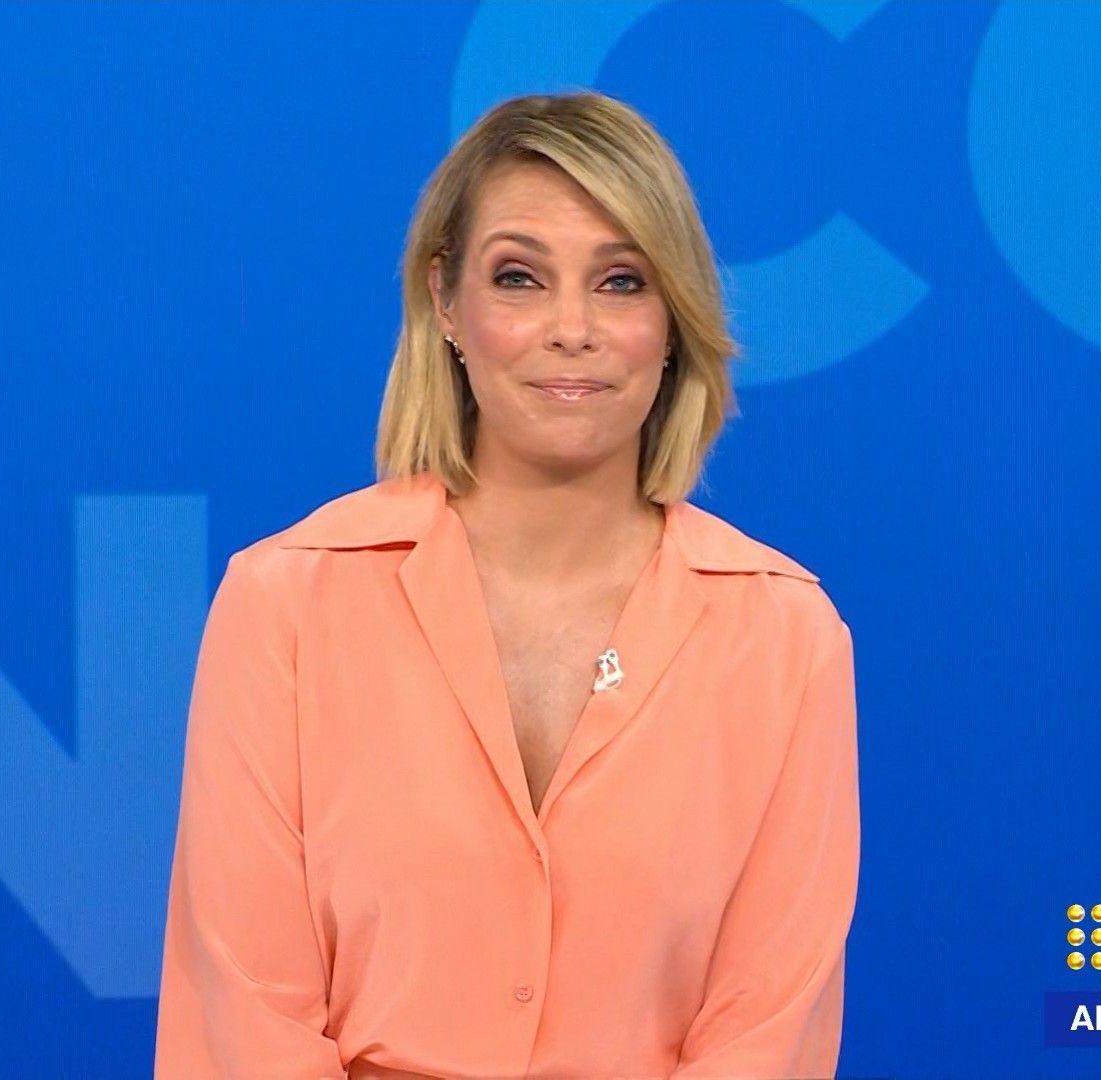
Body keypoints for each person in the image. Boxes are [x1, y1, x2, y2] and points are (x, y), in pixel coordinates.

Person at [155, 90, 859, 1079]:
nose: (572, 328)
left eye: (621, 282)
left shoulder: (784, 637)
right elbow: (247, 1020)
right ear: (446, 302)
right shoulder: (286, 605)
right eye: (520, 278)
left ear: (672, 320)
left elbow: (764, 1035)